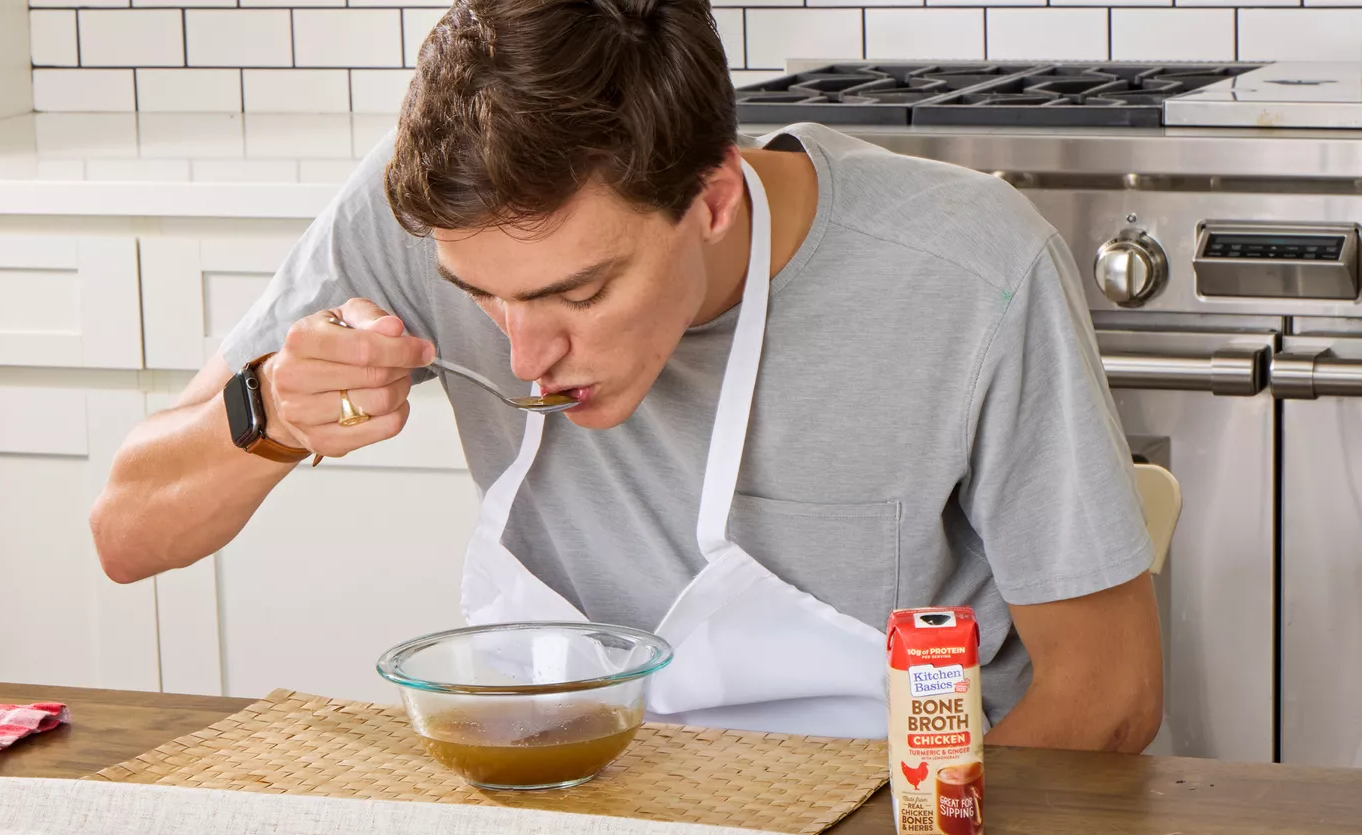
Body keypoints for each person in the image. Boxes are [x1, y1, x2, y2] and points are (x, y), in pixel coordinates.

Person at [91, 0, 1162, 750]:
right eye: (477, 296)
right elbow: (126, 532)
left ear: (711, 200)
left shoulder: (966, 269)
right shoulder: (412, 210)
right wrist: (270, 412)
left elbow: (1109, 695)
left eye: (580, 294)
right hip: (581, 826)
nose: (521, 356)